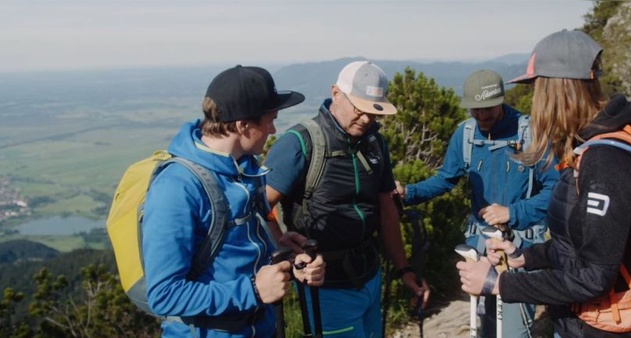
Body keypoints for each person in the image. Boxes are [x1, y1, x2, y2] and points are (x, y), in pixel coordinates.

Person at [456, 29, 631, 338]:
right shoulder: (585, 150)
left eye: (538, 89)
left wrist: (499, 283)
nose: (535, 100)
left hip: (601, 328)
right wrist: (524, 255)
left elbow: (594, 277)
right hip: (577, 323)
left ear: (557, 89)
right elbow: (577, 247)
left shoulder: (605, 162)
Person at [141, 65, 325, 338]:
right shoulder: (177, 187)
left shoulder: (247, 167)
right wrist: (252, 290)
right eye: (269, 120)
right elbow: (163, 295)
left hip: (260, 327)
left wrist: (285, 249)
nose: (273, 130)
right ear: (242, 125)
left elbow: (244, 242)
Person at [263, 60, 430, 338]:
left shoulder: (375, 143)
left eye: (374, 113)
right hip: (326, 287)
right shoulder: (300, 143)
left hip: (369, 274)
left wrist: (404, 268)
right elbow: (259, 207)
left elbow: (386, 208)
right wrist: (288, 251)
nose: (366, 119)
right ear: (336, 93)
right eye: (359, 108)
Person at [395, 69, 559, 337]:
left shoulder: (531, 133)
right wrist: (409, 193)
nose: (482, 117)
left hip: (520, 250)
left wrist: (512, 212)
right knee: (484, 327)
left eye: (488, 111)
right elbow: (447, 178)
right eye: (476, 110)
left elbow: (556, 188)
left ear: (501, 102)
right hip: (479, 249)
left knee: (513, 331)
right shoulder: (466, 134)